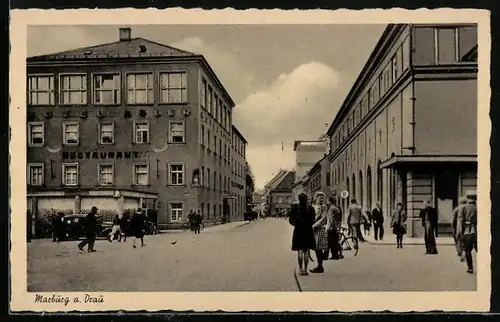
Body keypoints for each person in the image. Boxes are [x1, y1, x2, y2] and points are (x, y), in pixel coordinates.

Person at [290, 194, 316, 276]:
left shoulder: (296, 208)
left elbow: (291, 220)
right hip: (308, 231)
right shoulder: (311, 209)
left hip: (298, 231)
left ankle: (300, 269)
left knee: (300, 251)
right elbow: (313, 220)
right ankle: (305, 270)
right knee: (306, 251)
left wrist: (296, 224)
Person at [456, 194, 477, 274]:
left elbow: (460, 221)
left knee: (468, 250)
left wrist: (459, 233)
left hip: (467, 231)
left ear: (468, 199)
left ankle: (470, 268)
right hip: (478, 231)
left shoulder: (463, 208)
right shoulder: (479, 207)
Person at [311, 191, 328, 273]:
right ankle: (319, 265)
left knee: (319, 248)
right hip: (314, 229)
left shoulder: (324, 207)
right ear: (316, 198)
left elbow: (323, 219)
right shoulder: (314, 207)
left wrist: (313, 226)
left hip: (319, 229)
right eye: (319, 198)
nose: (321, 199)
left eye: (322, 198)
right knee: (316, 248)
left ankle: (320, 266)